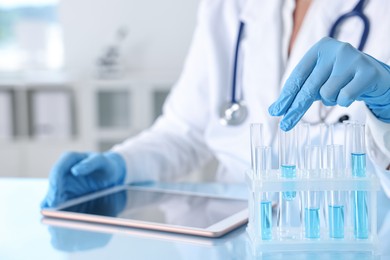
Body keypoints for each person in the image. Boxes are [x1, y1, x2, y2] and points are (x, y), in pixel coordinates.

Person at [41, 0, 390, 208]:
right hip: (234, 233)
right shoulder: (228, 7)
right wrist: (121, 165)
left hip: (349, 234)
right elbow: (184, 132)